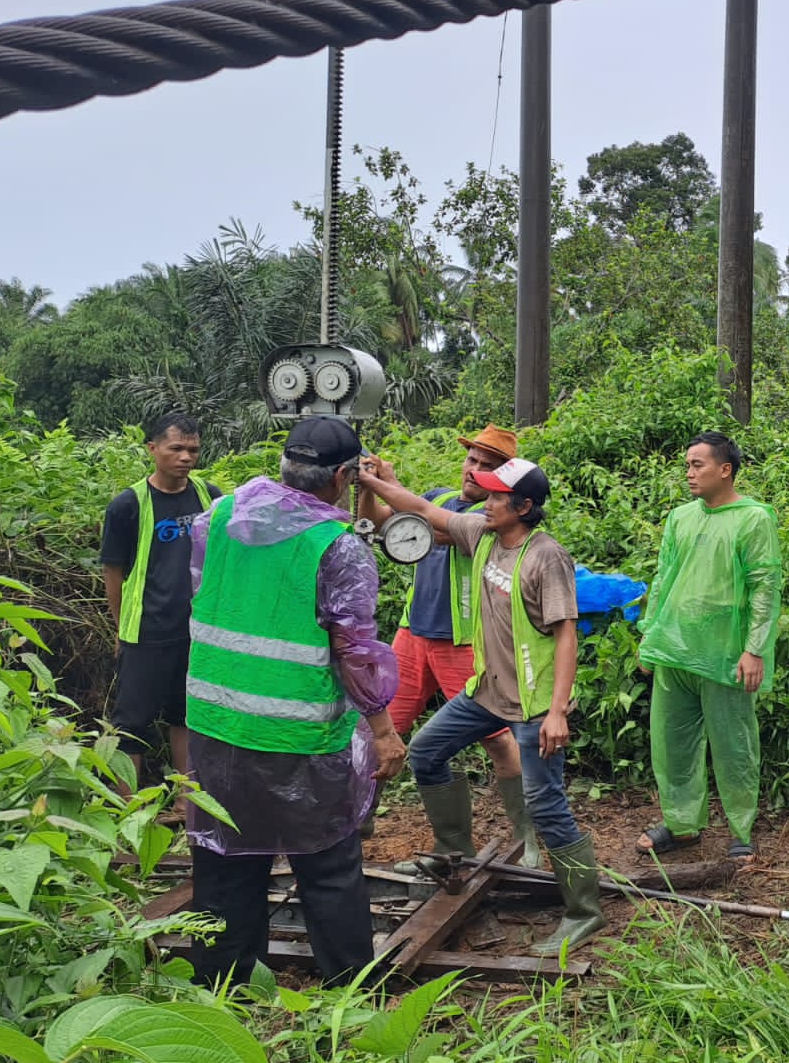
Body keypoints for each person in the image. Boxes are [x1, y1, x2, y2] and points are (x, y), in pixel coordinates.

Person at [185, 415, 406, 985]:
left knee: (225, 858)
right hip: (297, 732)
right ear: (342, 476)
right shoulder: (336, 547)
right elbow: (355, 651)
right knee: (327, 863)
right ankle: (352, 990)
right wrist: (382, 730)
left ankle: (225, 986)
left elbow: (208, 593)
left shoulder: (222, 514)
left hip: (215, 720)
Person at [357, 454, 602, 957]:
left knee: (546, 802)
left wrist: (557, 711)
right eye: (486, 494)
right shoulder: (482, 535)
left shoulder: (545, 557)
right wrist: (375, 481)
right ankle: (454, 852)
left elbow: (566, 635)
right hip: (488, 691)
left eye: (496, 496)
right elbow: (421, 510)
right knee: (426, 752)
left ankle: (584, 911)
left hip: (534, 703)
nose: (485, 501)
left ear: (525, 506)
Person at [356, 424, 541, 868]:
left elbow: (423, 522)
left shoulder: (489, 522)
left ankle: (528, 837)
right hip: (412, 635)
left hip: (463, 644)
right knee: (375, 733)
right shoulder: (441, 498)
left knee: (497, 742)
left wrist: (383, 482)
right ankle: (360, 823)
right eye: (472, 461)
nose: (474, 471)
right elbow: (383, 520)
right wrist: (369, 488)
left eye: (487, 467)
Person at [634, 432, 782, 864]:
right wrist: (650, 636)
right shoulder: (680, 517)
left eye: (698, 465)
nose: (689, 473)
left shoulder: (753, 519)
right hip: (675, 649)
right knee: (672, 742)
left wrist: (754, 648)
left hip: (725, 655)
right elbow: (663, 580)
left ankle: (741, 828)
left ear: (725, 469)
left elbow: (764, 586)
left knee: (734, 744)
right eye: (687, 465)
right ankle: (681, 825)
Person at [100, 412, 223, 789]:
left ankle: (189, 802)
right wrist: (121, 627)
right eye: (177, 449)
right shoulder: (128, 505)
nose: (186, 457)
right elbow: (113, 572)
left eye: (193, 450)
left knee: (187, 716)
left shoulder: (211, 496)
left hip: (198, 630)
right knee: (130, 724)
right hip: (147, 632)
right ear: (152, 449)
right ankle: (127, 813)